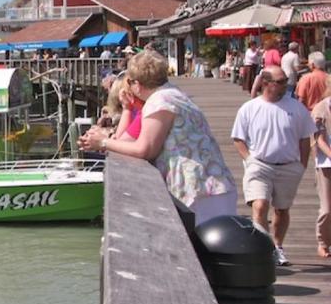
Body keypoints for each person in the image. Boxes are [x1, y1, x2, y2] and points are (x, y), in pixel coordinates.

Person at [79, 49, 236, 226]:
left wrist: (103, 142)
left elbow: (145, 149)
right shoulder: (172, 93)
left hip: (201, 190)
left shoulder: (159, 102)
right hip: (211, 186)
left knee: (202, 249)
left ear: (136, 83)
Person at [232, 66, 316, 266]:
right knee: (260, 205)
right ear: (266, 83)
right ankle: (263, 249)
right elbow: (238, 138)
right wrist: (249, 159)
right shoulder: (250, 108)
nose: (285, 85)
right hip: (259, 164)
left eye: (285, 80)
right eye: (280, 81)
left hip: (288, 166)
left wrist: (302, 165)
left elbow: (305, 138)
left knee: (282, 210)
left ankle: (278, 246)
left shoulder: (296, 108)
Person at [310, 84, 331, 258]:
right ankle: (323, 242)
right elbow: (319, 140)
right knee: (327, 209)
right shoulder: (321, 109)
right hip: (326, 165)